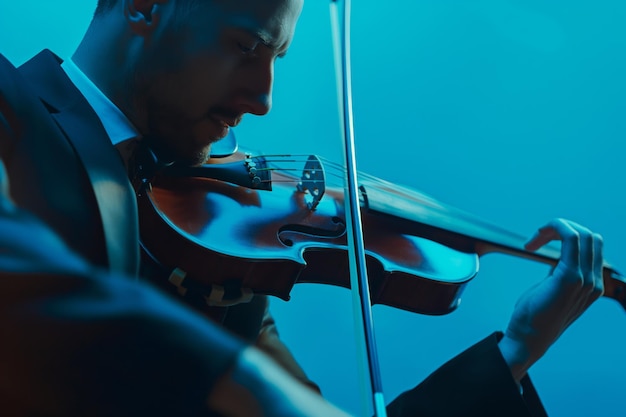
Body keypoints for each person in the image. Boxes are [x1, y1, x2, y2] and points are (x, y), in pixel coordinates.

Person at [0, 0, 605, 415]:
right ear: (144, 5)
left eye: (276, 59)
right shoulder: (12, 110)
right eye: (245, 45)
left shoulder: (227, 246)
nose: (263, 99)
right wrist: (237, 379)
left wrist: (516, 352)